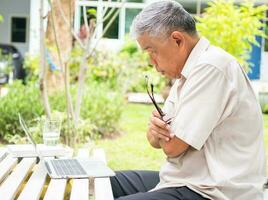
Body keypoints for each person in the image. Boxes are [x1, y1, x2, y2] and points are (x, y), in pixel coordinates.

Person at [109, 1, 267, 200]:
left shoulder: (211, 67)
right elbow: (153, 139)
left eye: (152, 51)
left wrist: (161, 134)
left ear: (177, 40)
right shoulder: (187, 73)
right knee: (106, 181)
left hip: (217, 191)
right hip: (186, 180)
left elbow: (173, 147)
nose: (151, 62)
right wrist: (158, 132)